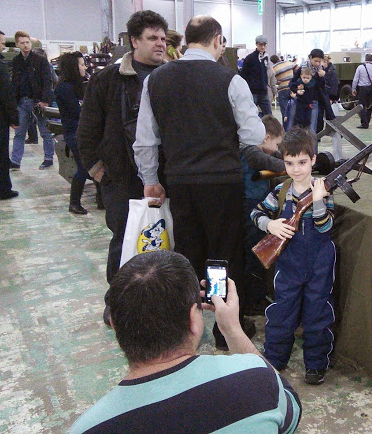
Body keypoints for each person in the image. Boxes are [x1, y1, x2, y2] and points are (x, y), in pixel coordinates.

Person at [133, 15, 265, 348]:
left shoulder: (156, 79)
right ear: (218, 40)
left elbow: (145, 139)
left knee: (187, 252)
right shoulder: (230, 79)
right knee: (223, 254)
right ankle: (224, 328)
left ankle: (186, 324)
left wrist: (150, 178)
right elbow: (253, 135)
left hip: (180, 182)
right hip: (222, 182)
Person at [69, 251, 301, 434]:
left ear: (114, 324)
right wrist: (232, 329)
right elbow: (290, 411)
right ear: (194, 320)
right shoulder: (257, 379)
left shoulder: (88, 428)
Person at [77, 9, 168, 326]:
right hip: (121, 178)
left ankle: (161, 303)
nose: (160, 43)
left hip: (164, 178)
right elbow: (87, 131)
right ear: (134, 41)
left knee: (164, 241)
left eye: (163, 38)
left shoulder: (171, 77)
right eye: (152, 38)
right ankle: (116, 303)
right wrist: (99, 172)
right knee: (124, 241)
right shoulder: (107, 80)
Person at [250, 128, 335, 385]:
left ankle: (316, 364)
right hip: (289, 262)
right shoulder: (281, 191)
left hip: (320, 263)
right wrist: (270, 225)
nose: (296, 169)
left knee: (317, 312)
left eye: (302, 162)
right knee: (282, 311)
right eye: (289, 163)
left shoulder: (323, 190)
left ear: (313, 160)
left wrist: (318, 201)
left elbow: (325, 228)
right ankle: (275, 358)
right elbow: (256, 213)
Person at [241, 115, 285, 316]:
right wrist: (292, 165)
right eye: (276, 144)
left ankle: (256, 296)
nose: (276, 149)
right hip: (250, 208)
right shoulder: (251, 152)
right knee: (255, 255)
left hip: (253, 205)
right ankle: (253, 299)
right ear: (266, 137)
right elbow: (268, 161)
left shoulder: (254, 152)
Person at [54, 52, 96, 215]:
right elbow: (78, 112)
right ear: (73, 67)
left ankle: (100, 200)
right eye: (81, 65)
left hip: (81, 132)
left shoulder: (75, 85)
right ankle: (74, 203)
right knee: (84, 168)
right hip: (75, 134)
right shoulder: (64, 88)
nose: (85, 67)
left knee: (91, 166)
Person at [9, 30, 55, 171]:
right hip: (22, 103)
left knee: (45, 132)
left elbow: (47, 82)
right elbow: (14, 83)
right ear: (17, 44)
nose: (26, 45)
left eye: (27, 42)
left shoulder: (40, 60)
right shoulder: (16, 61)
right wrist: (13, 103)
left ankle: (48, 159)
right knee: (19, 133)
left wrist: (45, 101)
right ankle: (15, 161)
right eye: (22, 43)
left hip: (38, 102)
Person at [0, 28, 19, 201]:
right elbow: (6, 95)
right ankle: (3, 190)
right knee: (0, 156)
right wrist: (13, 118)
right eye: (2, 43)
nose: (3, 47)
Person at [241, 34, 273, 117]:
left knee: (269, 116)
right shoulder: (249, 58)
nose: (263, 47)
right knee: (250, 115)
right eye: (260, 44)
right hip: (253, 92)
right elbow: (243, 75)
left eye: (264, 45)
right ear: (256, 44)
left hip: (263, 91)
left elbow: (265, 73)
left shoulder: (265, 57)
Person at [351, 53, 372, 129]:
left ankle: (364, 123)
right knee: (369, 106)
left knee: (362, 106)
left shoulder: (360, 67)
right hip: (371, 89)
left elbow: (355, 79)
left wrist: (353, 89)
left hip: (362, 89)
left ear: (365, 59)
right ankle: (367, 122)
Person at [272, 54, 295, 125]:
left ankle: (286, 128)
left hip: (282, 90)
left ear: (272, 62)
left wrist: (277, 82)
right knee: (294, 109)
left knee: (285, 112)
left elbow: (271, 80)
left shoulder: (273, 68)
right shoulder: (289, 63)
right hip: (292, 89)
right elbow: (299, 69)